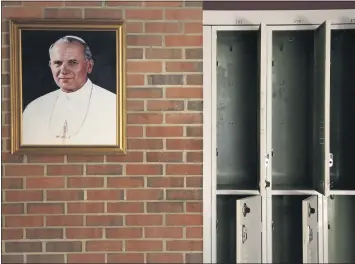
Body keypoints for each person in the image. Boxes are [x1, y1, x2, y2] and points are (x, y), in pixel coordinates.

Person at [22, 35, 117, 145]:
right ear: (50, 66)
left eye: (72, 63)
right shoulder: (34, 108)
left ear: (89, 66)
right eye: (57, 63)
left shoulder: (112, 105)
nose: (63, 70)